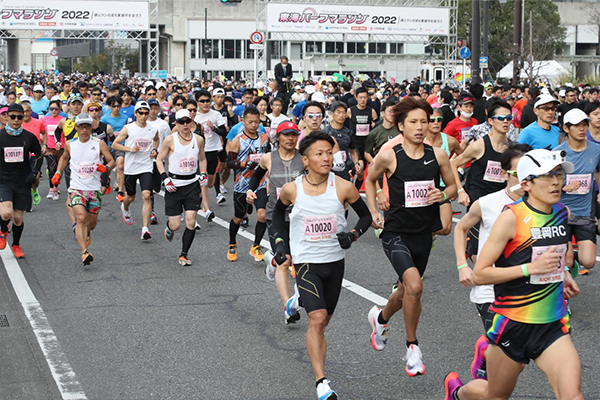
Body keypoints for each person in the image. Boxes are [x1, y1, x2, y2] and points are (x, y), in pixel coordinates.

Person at [444, 149, 582, 400]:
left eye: (559, 174)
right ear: (526, 183)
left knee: (573, 396)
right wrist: (530, 269)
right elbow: (481, 274)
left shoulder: (562, 213)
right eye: (547, 176)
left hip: (552, 325)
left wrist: (563, 274)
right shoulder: (511, 217)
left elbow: (553, 257)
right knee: (494, 395)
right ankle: (458, 393)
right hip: (513, 324)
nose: (556, 182)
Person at [271, 131, 371, 400]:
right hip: (306, 263)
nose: (327, 158)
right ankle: (321, 381)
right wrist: (280, 245)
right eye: (319, 153)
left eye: (330, 152)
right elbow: (277, 215)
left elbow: (366, 217)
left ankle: (295, 301)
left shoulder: (344, 186)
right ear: (306, 160)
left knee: (324, 320)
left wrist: (352, 235)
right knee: (316, 319)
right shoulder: (293, 189)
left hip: (334, 262)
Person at [365, 97, 456, 377]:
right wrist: (373, 211)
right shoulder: (390, 154)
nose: (420, 127)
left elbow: (452, 186)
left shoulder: (438, 155)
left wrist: (443, 194)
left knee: (405, 290)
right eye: (413, 122)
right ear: (401, 126)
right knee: (415, 287)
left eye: (424, 122)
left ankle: (380, 319)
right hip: (395, 231)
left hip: (423, 232)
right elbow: (370, 180)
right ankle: (412, 347)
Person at [453, 143, 530, 380]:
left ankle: (486, 350)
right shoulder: (487, 203)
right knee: (503, 363)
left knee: (517, 356)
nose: (525, 179)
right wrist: (462, 265)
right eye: (519, 173)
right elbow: (461, 228)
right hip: (489, 289)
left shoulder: (540, 206)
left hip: (525, 290)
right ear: (505, 173)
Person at [246, 121, 304, 323]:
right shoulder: (268, 158)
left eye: (293, 135)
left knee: (301, 261)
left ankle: (270, 260)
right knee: (284, 260)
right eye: (286, 135)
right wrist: (251, 190)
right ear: (277, 138)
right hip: (276, 216)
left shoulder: (304, 158)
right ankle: (288, 306)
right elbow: (256, 176)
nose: (290, 139)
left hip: (300, 216)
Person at [451, 100, 512, 261]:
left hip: (502, 202)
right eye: (501, 118)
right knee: (478, 254)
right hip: (479, 201)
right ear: (491, 121)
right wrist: (460, 191)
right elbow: (453, 164)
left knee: (501, 250)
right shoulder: (479, 145)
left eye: (509, 118)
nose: (505, 121)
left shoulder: (512, 148)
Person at [51, 113, 115, 265]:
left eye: (87, 127)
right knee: (80, 218)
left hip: (94, 189)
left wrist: (104, 167)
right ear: (76, 128)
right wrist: (58, 172)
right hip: (76, 187)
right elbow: (65, 157)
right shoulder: (70, 144)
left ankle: (87, 233)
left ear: (91, 127)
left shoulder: (99, 143)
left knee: (91, 224)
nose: (85, 130)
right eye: (82, 127)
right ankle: (84, 252)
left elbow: (111, 161)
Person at [156, 109, 207, 266]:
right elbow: (159, 160)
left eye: (187, 121)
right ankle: (169, 228)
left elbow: (202, 159)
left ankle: (184, 254)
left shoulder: (198, 140)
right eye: (181, 122)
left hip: (192, 184)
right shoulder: (170, 140)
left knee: (191, 222)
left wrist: (203, 173)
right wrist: (165, 179)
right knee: (176, 225)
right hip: (174, 186)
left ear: (191, 122)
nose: (185, 125)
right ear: (176, 123)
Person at [554, 108, 600, 273]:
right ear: (566, 128)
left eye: (584, 124)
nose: (582, 129)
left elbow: (597, 172)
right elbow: (547, 181)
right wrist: (562, 187)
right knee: (564, 260)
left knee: (588, 262)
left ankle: (572, 254)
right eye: (576, 125)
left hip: (584, 212)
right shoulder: (558, 153)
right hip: (561, 212)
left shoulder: (596, 150)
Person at [226, 107, 271, 262]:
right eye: (250, 122)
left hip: (260, 182)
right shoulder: (237, 140)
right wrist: (245, 162)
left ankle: (256, 246)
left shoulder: (265, 137)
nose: (253, 125)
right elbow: (229, 163)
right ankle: (232, 243)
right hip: (242, 184)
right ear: (243, 121)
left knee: (262, 215)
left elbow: (270, 155)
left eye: (256, 122)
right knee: (238, 218)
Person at [111, 101, 160, 240]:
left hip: (146, 166)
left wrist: (155, 150)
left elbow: (156, 139)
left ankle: (145, 229)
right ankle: (125, 207)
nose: (144, 116)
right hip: (131, 168)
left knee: (146, 195)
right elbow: (115, 144)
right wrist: (130, 149)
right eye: (141, 113)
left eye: (146, 112)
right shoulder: (128, 128)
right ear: (136, 114)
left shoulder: (152, 129)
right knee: (130, 197)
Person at [0, 104, 43, 258]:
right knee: (5, 213)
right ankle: (3, 230)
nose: (16, 120)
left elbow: (39, 156)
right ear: (7, 117)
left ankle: (16, 245)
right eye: (12, 116)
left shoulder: (29, 137)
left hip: (22, 181)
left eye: (19, 117)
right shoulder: (1, 136)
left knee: (18, 218)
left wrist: (34, 172)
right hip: (4, 180)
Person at [426, 108, 462, 235]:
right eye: (432, 120)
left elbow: (463, 158)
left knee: (446, 228)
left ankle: (427, 235)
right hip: (424, 186)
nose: (436, 123)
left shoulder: (450, 141)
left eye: (439, 120)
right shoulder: (418, 140)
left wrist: (459, 175)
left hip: (443, 186)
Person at [195, 90, 228, 205]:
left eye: (207, 101)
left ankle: (216, 191)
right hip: (198, 151)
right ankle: (201, 198)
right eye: (202, 101)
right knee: (200, 175)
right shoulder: (194, 116)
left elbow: (224, 132)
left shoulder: (216, 115)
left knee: (211, 178)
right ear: (197, 102)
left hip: (213, 149)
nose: (205, 103)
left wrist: (213, 128)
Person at [347, 87, 378, 189]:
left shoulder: (371, 111)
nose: (363, 100)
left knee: (362, 171)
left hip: (366, 143)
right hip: (354, 143)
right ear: (356, 98)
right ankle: (352, 188)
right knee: (358, 168)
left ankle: (356, 189)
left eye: (365, 98)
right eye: (360, 98)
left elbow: (375, 123)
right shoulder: (350, 111)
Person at [101, 95, 129, 200]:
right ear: (110, 107)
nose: (116, 108)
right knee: (107, 168)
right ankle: (106, 179)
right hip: (108, 147)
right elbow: (102, 134)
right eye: (114, 106)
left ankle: (120, 190)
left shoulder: (124, 118)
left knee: (120, 166)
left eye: (118, 106)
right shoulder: (104, 119)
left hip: (120, 147)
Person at [42, 99, 65, 200]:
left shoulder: (63, 119)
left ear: (60, 109)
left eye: (56, 109)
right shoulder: (45, 120)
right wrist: (44, 144)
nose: (54, 111)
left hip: (61, 148)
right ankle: (51, 189)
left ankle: (56, 188)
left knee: (58, 170)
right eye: (51, 109)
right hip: (49, 148)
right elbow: (43, 133)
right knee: (52, 168)